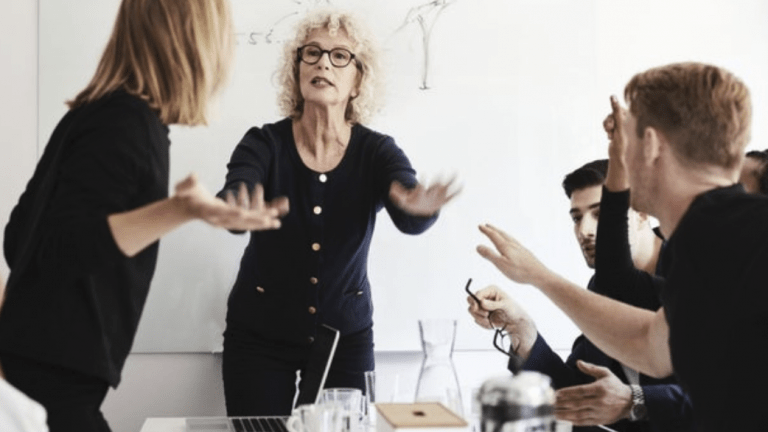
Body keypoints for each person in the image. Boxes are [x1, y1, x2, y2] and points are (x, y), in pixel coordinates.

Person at [0, 1, 289, 431]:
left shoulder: (97, 112)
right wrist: (179, 210)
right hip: (51, 385)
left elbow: (18, 241)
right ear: (194, 40)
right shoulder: (126, 123)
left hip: (36, 373)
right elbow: (57, 251)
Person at [475, 62, 767, 431]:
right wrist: (617, 156)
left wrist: (537, 275)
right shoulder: (704, 242)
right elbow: (651, 345)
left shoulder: (731, 239)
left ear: (652, 144)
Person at [218, 9, 457, 416]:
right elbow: (239, 188)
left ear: (358, 79)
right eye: (311, 53)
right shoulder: (264, 143)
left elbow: (408, 207)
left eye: (339, 56)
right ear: (297, 70)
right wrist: (238, 206)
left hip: (344, 339)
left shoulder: (377, 151)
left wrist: (417, 207)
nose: (323, 63)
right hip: (258, 336)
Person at [469, 159, 692, 431]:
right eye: (577, 217)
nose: (584, 230)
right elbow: (578, 393)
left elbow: (733, 397)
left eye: (601, 214)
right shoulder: (600, 287)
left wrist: (633, 401)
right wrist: (521, 330)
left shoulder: (696, 272)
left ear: (643, 213)